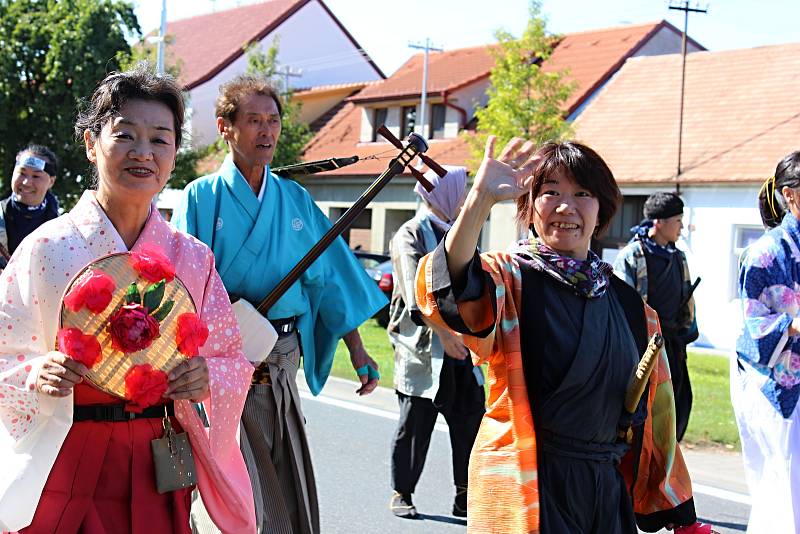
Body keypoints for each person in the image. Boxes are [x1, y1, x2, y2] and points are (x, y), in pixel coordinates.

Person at [0, 65, 256, 533]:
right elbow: (2, 352)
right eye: (126, 136)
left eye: (160, 139)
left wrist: (206, 375)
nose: (144, 152)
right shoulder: (46, 248)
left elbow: (231, 359)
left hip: (160, 448)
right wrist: (37, 371)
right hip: (67, 448)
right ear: (91, 143)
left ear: (175, 152)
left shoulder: (192, 257)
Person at [415, 137, 711, 533]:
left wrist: (682, 517)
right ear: (530, 207)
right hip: (528, 487)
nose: (565, 206)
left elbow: (658, 420)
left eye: (582, 193)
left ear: (601, 208)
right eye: (550, 192)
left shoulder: (632, 308)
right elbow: (451, 286)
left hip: (604, 494)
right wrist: (480, 200)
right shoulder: (509, 280)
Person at [171, 74, 387, 534]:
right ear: (226, 127)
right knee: (240, 488)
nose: (266, 131)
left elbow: (329, 278)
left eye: (273, 121)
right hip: (225, 363)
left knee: (287, 478)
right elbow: (184, 289)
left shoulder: (294, 198)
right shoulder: (201, 197)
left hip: (282, 357)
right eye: (253, 120)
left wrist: (357, 348)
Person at [387, 166, 485, 519]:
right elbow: (415, 295)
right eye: (462, 191)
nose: (466, 198)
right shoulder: (410, 234)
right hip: (425, 349)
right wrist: (445, 334)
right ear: (444, 196)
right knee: (415, 425)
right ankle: (402, 493)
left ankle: (464, 495)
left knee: (471, 424)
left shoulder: (464, 233)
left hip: (463, 349)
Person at [733, 151, 800, 532]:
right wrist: (792, 325)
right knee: (786, 494)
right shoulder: (764, 253)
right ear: (790, 195)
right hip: (785, 388)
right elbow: (753, 326)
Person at [613, 192, 698, 441]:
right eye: (678, 221)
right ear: (659, 222)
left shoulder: (678, 257)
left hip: (673, 345)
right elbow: (622, 307)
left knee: (679, 405)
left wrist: (685, 332)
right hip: (642, 348)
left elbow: (687, 301)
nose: (681, 227)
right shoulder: (632, 256)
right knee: (644, 410)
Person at [0, 144, 60, 268]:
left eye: (36, 176)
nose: (26, 182)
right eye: (22, 173)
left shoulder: (61, 230)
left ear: (51, 181)